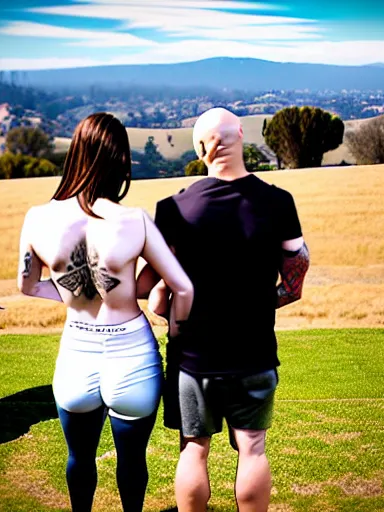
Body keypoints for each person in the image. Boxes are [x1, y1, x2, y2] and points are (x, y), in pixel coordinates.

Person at [17, 112, 193, 512]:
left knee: (79, 459)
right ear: (118, 160)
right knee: (133, 461)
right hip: (132, 353)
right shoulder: (134, 221)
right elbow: (181, 286)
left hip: (76, 352)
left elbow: (26, 285)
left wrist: (68, 292)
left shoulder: (37, 218)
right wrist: (177, 340)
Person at [137, 107, 309, 512]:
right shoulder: (279, 201)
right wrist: (272, 298)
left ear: (201, 149)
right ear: (242, 138)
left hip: (193, 357)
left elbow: (155, 286)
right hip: (255, 353)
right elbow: (296, 274)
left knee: (194, 450)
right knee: (252, 449)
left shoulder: (174, 208)